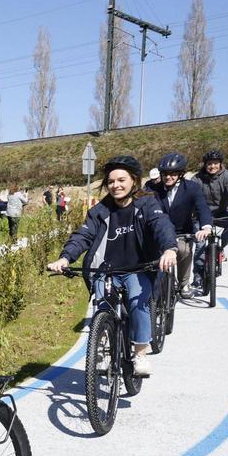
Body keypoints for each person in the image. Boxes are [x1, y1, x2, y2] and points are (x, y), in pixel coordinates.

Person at [47, 156, 175, 377]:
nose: (116, 185)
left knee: (137, 301)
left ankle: (141, 354)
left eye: (122, 180)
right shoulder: (100, 210)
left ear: (134, 180)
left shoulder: (147, 203)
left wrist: (169, 248)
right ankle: (104, 346)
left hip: (138, 269)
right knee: (102, 307)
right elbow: (83, 235)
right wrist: (65, 258)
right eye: (111, 181)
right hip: (106, 271)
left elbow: (161, 225)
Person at [144, 152, 212, 297]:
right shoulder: (152, 189)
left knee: (184, 251)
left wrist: (206, 226)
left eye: (173, 173)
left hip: (182, 232)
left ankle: (183, 284)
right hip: (158, 232)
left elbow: (202, 207)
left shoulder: (192, 188)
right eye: (165, 174)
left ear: (181, 174)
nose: (168, 177)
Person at [196, 149, 228, 252]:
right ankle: (200, 265)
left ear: (220, 164)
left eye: (216, 163)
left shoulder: (227, 176)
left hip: (220, 213)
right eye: (209, 163)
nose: (212, 166)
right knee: (199, 244)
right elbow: (191, 196)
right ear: (205, 165)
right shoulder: (197, 178)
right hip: (202, 215)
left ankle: (220, 248)